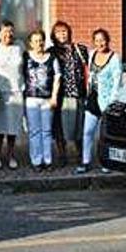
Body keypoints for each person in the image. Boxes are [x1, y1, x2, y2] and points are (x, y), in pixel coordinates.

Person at [75, 28, 122, 174]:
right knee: (87, 131)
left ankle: (107, 162)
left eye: (102, 40)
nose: (100, 43)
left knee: (105, 134)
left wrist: (112, 101)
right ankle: (85, 161)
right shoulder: (92, 54)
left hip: (107, 100)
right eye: (97, 40)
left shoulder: (114, 58)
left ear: (107, 41)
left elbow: (117, 81)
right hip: (93, 98)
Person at [50, 21, 89, 165]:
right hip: (61, 95)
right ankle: (62, 155)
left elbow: (88, 70)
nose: (62, 34)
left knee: (80, 126)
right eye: (58, 32)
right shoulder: (51, 52)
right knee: (60, 127)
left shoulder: (80, 49)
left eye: (64, 31)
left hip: (79, 93)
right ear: (54, 35)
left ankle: (80, 154)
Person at [0, 21, 24, 170]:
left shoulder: (20, 46)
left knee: (12, 127)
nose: (8, 34)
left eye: (11, 31)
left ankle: (10, 154)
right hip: (0, 91)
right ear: (0, 32)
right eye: (5, 31)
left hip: (17, 91)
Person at [23, 29, 61, 170]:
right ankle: (36, 161)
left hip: (47, 99)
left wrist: (54, 97)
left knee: (47, 131)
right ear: (31, 43)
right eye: (36, 41)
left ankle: (48, 160)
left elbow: (57, 77)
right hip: (31, 98)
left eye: (41, 40)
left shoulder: (52, 58)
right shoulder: (26, 56)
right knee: (34, 131)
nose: (39, 43)